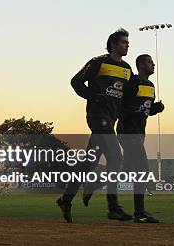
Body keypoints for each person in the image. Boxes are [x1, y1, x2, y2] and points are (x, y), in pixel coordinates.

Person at [56, 28, 133, 223]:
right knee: (116, 155)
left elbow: (127, 98)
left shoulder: (127, 69)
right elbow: (76, 82)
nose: (127, 45)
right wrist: (93, 97)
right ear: (113, 44)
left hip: (111, 120)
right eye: (124, 42)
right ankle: (113, 207)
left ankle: (66, 199)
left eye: (127, 42)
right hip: (97, 116)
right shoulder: (98, 62)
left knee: (88, 163)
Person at [117, 54, 164, 223]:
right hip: (127, 132)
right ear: (141, 65)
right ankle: (139, 212)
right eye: (150, 62)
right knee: (142, 170)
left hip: (139, 133)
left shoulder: (150, 86)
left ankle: (100, 179)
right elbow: (121, 107)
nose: (153, 65)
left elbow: (146, 110)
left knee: (133, 170)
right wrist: (135, 112)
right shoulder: (132, 82)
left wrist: (156, 109)